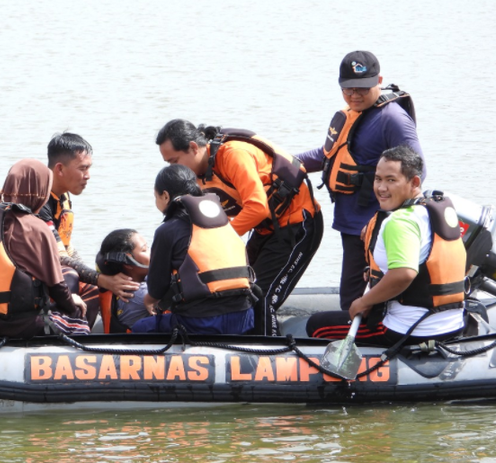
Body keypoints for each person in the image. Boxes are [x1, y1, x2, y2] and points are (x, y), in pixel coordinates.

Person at [156, 120, 322, 336]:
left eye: (174, 160)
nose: (173, 168)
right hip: (264, 230)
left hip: (297, 226)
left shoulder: (233, 154)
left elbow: (258, 207)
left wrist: (221, 241)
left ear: (194, 148)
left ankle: (269, 354)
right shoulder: (196, 175)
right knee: (237, 291)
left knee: (262, 298)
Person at [296, 51, 424, 311]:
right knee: (349, 297)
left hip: (373, 227)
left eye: (362, 88)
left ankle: (365, 346)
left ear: (379, 79)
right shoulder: (353, 114)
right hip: (350, 224)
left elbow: (417, 170)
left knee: (359, 299)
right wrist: (284, 162)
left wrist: (386, 220)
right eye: (348, 88)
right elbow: (327, 156)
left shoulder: (392, 119)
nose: (354, 95)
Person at [306, 146, 466, 346]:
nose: (381, 188)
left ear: (414, 182)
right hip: (452, 324)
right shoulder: (433, 212)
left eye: (391, 180)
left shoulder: (400, 221)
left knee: (317, 325)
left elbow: (403, 274)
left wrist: (364, 302)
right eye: (378, 179)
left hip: (409, 330)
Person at [0, 159, 90, 338]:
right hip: (21, 324)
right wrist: (71, 303)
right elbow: (57, 285)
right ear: (41, 192)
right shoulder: (37, 228)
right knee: (77, 318)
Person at [132, 165, 256, 335]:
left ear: (165, 196)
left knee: (140, 327)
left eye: (156, 197)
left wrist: (148, 300)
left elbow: (157, 288)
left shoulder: (167, 230)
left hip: (201, 323)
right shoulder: (224, 224)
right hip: (244, 317)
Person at [39, 132, 140, 327]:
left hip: (53, 269)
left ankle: (81, 336)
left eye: (89, 168)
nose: (88, 176)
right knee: (72, 275)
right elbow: (59, 258)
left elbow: (67, 248)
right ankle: (60, 334)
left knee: (93, 287)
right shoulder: (39, 201)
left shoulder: (63, 196)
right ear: (59, 169)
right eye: (82, 168)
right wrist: (103, 279)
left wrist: (99, 276)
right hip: (32, 276)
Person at [95, 229, 153, 332]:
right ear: (128, 263)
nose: (151, 252)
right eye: (144, 250)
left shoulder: (114, 283)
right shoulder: (140, 293)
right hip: (137, 345)